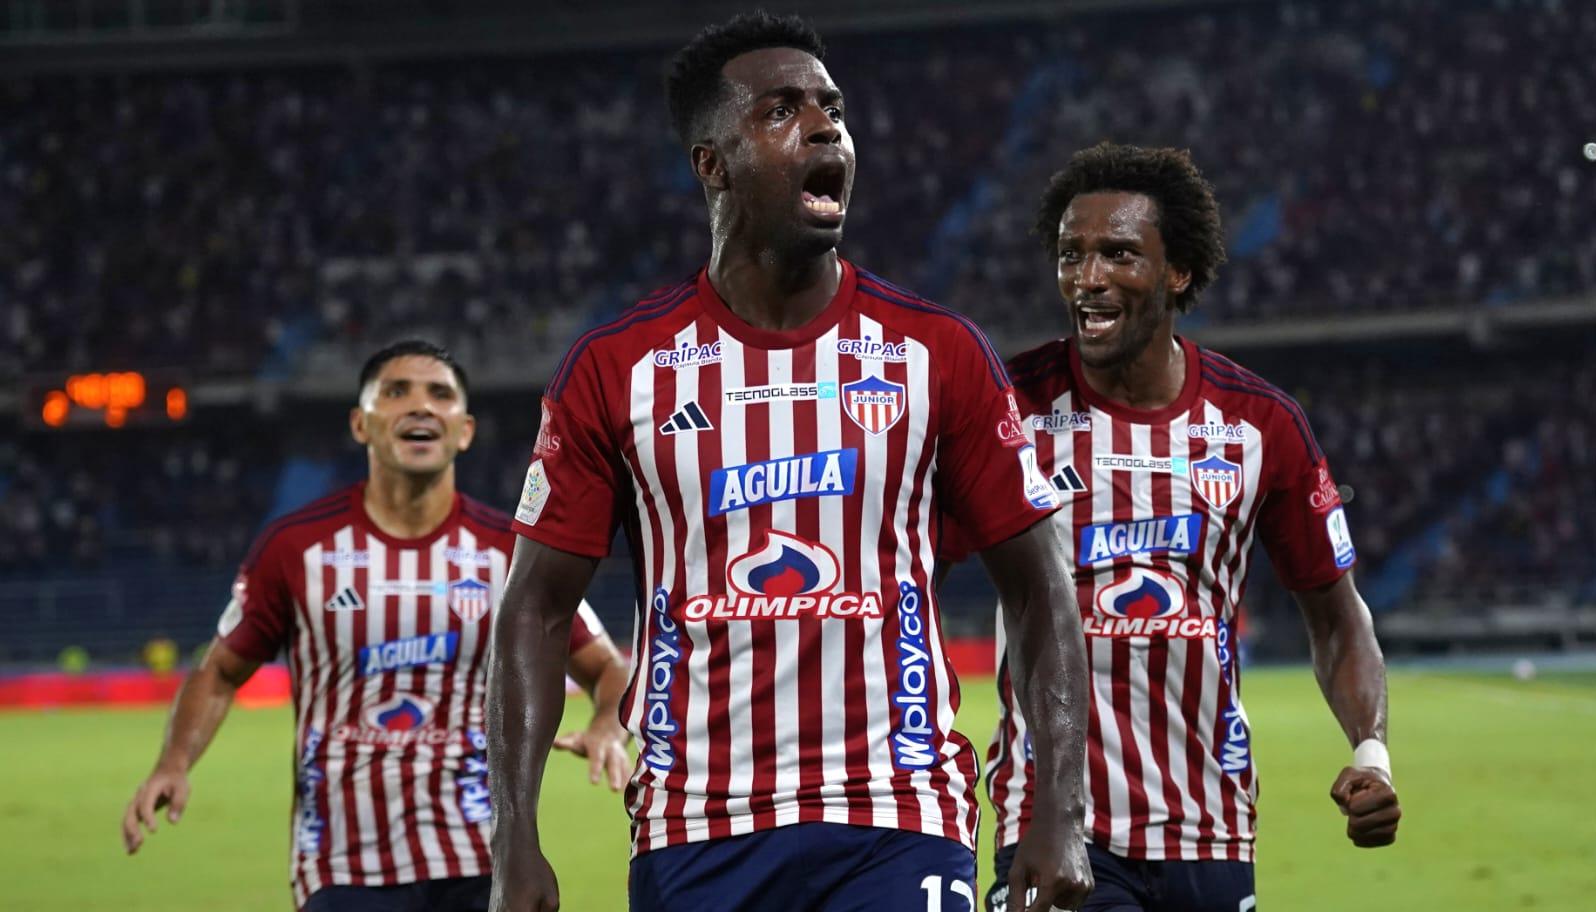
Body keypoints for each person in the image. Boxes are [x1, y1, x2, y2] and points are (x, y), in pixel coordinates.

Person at [487, 12, 1093, 912]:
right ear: (712, 164)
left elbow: (1042, 586)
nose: (824, 127)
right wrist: (515, 840)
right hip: (697, 829)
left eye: (832, 108)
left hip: (896, 814)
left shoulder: (938, 352)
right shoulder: (618, 368)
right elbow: (534, 609)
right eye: (781, 111)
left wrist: (1060, 810)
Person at [958, 143, 1401, 912]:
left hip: (1212, 829)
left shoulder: (1260, 424)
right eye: (1072, 255)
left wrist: (1372, 751)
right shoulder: (1009, 409)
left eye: (1118, 254)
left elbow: (1337, 616)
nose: (1087, 279)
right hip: (1059, 825)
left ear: (1179, 271)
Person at [121, 340, 631, 912]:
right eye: (396, 392)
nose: (420, 406)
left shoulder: (508, 553)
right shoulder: (295, 547)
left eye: (440, 394)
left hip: (481, 860)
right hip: (342, 864)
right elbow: (219, 671)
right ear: (361, 424)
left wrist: (610, 721)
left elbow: (607, 668)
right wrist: (173, 763)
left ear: (464, 430)